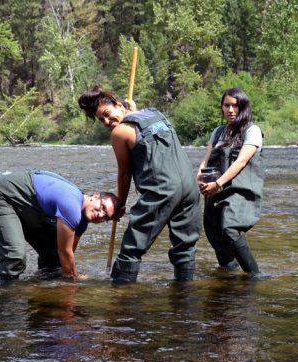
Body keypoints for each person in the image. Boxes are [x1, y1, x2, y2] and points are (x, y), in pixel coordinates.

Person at [78, 85, 202, 282]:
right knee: (185, 247)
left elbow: (125, 173)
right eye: (102, 120)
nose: (108, 122)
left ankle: (119, 299)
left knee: (131, 249)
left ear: (119, 104)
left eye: (108, 114)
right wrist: (131, 111)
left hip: (162, 190)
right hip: (190, 187)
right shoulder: (155, 113)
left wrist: (120, 204)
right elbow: (143, 127)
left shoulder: (120, 132)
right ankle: (184, 299)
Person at [0, 169, 118, 281]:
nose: (100, 215)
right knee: (15, 256)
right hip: (2, 196)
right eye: (102, 207)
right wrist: (73, 280)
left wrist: (68, 271)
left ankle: (45, 287)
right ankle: (7, 297)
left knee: (54, 258)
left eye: (106, 217)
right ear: (95, 196)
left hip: (30, 207)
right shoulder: (71, 205)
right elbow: (65, 252)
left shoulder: (82, 222)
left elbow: (67, 254)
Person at [197, 87, 266, 280]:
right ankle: (228, 272)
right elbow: (206, 160)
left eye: (235, 105)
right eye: (226, 105)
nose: (230, 110)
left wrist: (218, 183)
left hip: (240, 190)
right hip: (214, 188)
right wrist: (200, 177)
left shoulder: (252, 131)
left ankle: (254, 274)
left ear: (243, 107)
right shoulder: (218, 132)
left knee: (230, 229)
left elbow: (241, 162)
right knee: (213, 231)